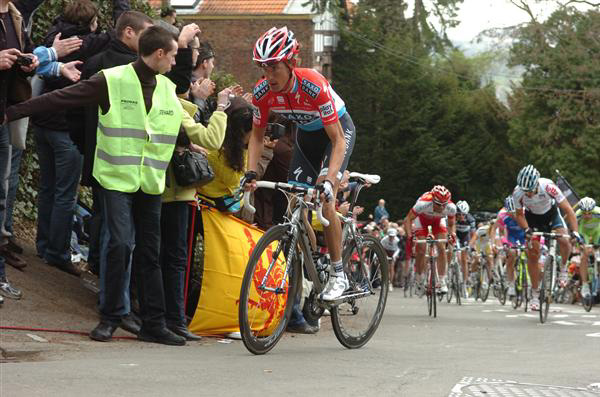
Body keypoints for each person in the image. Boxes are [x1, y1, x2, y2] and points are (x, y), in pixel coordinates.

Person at [7, 26, 213, 345]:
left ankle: (153, 323)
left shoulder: (166, 88)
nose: (176, 62)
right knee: (119, 243)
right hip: (115, 178)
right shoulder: (112, 79)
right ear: (159, 54)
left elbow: (172, 128)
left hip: (150, 182)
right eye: (173, 55)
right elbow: (61, 98)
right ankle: (111, 317)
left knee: (150, 250)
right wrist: (12, 113)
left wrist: (195, 144)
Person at [244, 27, 357, 301]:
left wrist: (330, 180)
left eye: (273, 68)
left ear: (291, 64)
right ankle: (311, 256)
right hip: (306, 137)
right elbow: (257, 137)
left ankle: (338, 272)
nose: (268, 76)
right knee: (296, 203)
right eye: (263, 68)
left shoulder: (313, 85)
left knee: (325, 199)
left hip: (337, 132)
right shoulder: (261, 92)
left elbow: (338, 140)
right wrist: (249, 172)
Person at [0, 0, 40, 301]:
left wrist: (30, 65)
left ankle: (0, 277)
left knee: (1, 199)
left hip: (3, 116)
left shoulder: (15, 16)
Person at [512, 164, 582, 311]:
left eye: (530, 190)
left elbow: (568, 210)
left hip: (552, 215)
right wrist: (526, 229)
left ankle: (563, 269)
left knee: (564, 239)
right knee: (533, 254)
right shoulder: (518, 193)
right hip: (532, 219)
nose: (529, 194)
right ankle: (535, 294)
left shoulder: (548, 186)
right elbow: (519, 215)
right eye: (526, 191)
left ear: (536, 183)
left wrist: (575, 232)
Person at [197, 96, 251, 213]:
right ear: (241, 131)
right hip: (211, 206)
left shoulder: (220, 140)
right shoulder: (218, 150)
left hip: (218, 203)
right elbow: (235, 181)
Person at [404, 185, 456, 294]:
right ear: (432, 200)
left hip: (438, 221)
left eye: (444, 204)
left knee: (442, 248)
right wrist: (410, 236)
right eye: (438, 204)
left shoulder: (451, 207)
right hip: (421, 220)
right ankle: (419, 278)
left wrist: (452, 235)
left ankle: (442, 281)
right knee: (421, 249)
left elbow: (451, 224)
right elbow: (408, 219)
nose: (441, 207)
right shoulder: (422, 203)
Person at [489, 196, 525, 297]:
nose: (514, 215)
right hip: (511, 237)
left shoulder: (525, 214)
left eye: (515, 212)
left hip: (523, 236)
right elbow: (496, 230)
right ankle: (511, 284)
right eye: (511, 213)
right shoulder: (503, 215)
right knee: (512, 254)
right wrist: (494, 243)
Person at [575, 197, 600, 302]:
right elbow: (575, 230)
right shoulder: (577, 215)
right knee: (584, 255)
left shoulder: (598, 212)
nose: (587, 215)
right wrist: (580, 244)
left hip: (597, 232)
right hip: (583, 233)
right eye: (584, 213)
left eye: (589, 213)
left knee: (598, 253)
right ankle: (585, 284)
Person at [455, 200, 475, 287]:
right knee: (458, 257)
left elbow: (473, 234)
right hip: (455, 235)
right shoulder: (452, 218)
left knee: (463, 260)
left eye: (463, 214)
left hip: (465, 237)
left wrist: (471, 245)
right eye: (459, 214)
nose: (461, 216)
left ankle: (465, 281)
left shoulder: (471, 220)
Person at [380, 227, 400, 292]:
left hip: (393, 253)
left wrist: (394, 256)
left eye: (393, 236)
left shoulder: (397, 240)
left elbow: (398, 249)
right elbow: (381, 248)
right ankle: (384, 282)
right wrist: (384, 255)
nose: (391, 238)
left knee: (391, 267)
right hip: (386, 251)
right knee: (385, 267)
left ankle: (390, 283)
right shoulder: (384, 239)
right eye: (390, 236)